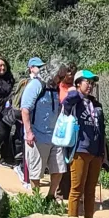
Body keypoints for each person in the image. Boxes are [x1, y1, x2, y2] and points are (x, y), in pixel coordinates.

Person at [63, 70, 106, 218]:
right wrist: (75, 91)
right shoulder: (74, 101)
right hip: (79, 149)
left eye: (92, 83)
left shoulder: (96, 104)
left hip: (95, 153)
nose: (90, 85)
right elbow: (67, 102)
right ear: (78, 83)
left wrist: (103, 154)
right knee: (76, 189)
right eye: (87, 82)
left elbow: (102, 130)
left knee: (90, 191)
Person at [22, 59, 66, 200]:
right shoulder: (36, 85)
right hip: (37, 136)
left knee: (59, 167)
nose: (62, 79)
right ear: (52, 73)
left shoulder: (55, 88)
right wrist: (29, 132)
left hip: (54, 137)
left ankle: (50, 196)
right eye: (60, 76)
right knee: (36, 171)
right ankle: (36, 200)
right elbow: (25, 110)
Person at [54, 65, 77, 201]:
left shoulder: (76, 88)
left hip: (72, 127)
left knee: (70, 160)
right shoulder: (57, 87)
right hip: (60, 126)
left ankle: (69, 192)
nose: (71, 76)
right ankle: (60, 192)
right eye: (69, 73)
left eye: (73, 73)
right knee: (60, 160)